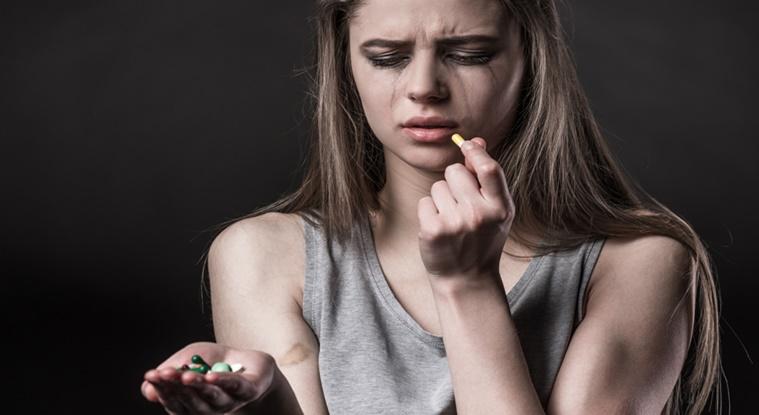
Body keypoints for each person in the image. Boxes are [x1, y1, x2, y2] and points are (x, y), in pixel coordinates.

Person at [141, 0, 723, 413]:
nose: (424, 86)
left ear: (531, 62)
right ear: (346, 67)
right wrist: (265, 402)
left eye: (468, 53)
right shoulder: (263, 255)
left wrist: (467, 286)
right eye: (387, 56)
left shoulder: (641, 264)